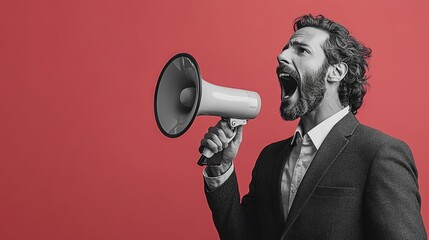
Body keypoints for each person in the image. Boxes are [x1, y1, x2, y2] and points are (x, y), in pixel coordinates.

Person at [200, 14, 427, 240]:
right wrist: (220, 168)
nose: (281, 56)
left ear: (336, 72)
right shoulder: (269, 158)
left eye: (301, 50)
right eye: (285, 48)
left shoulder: (379, 153)